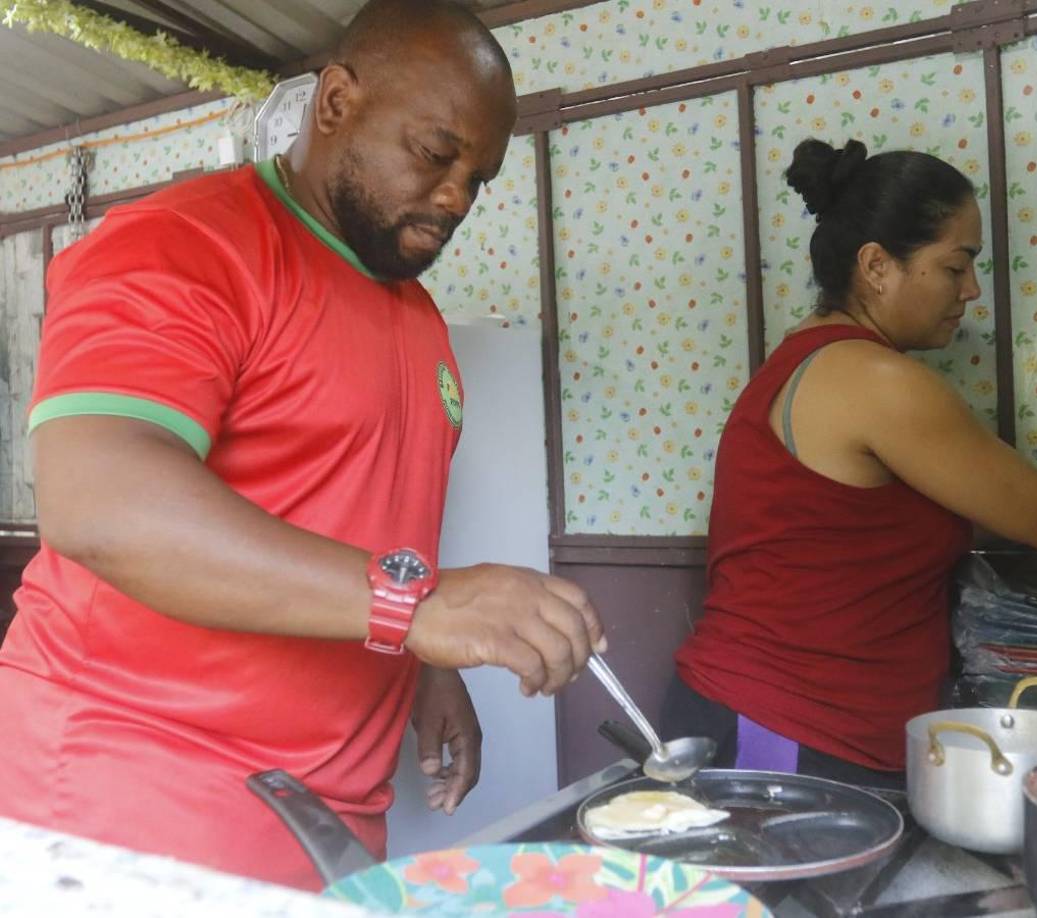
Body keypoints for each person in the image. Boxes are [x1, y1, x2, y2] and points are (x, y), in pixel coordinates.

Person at [0, 0, 605, 891]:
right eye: (436, 154)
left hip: (329, 813)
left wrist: (425, 660)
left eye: (479, 178)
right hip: (134, 803)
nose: (454, 196)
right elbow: (102, 507)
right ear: (336, 105)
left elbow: (364, 517)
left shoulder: (417, 317)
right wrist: (422, 609)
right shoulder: (183, 246)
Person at [663, 138, 1037, 789]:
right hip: (781, 726)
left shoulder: (814, 362)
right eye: (956, 266)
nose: (972, 290)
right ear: (877, 266)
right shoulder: (872, 378)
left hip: (815, 728)